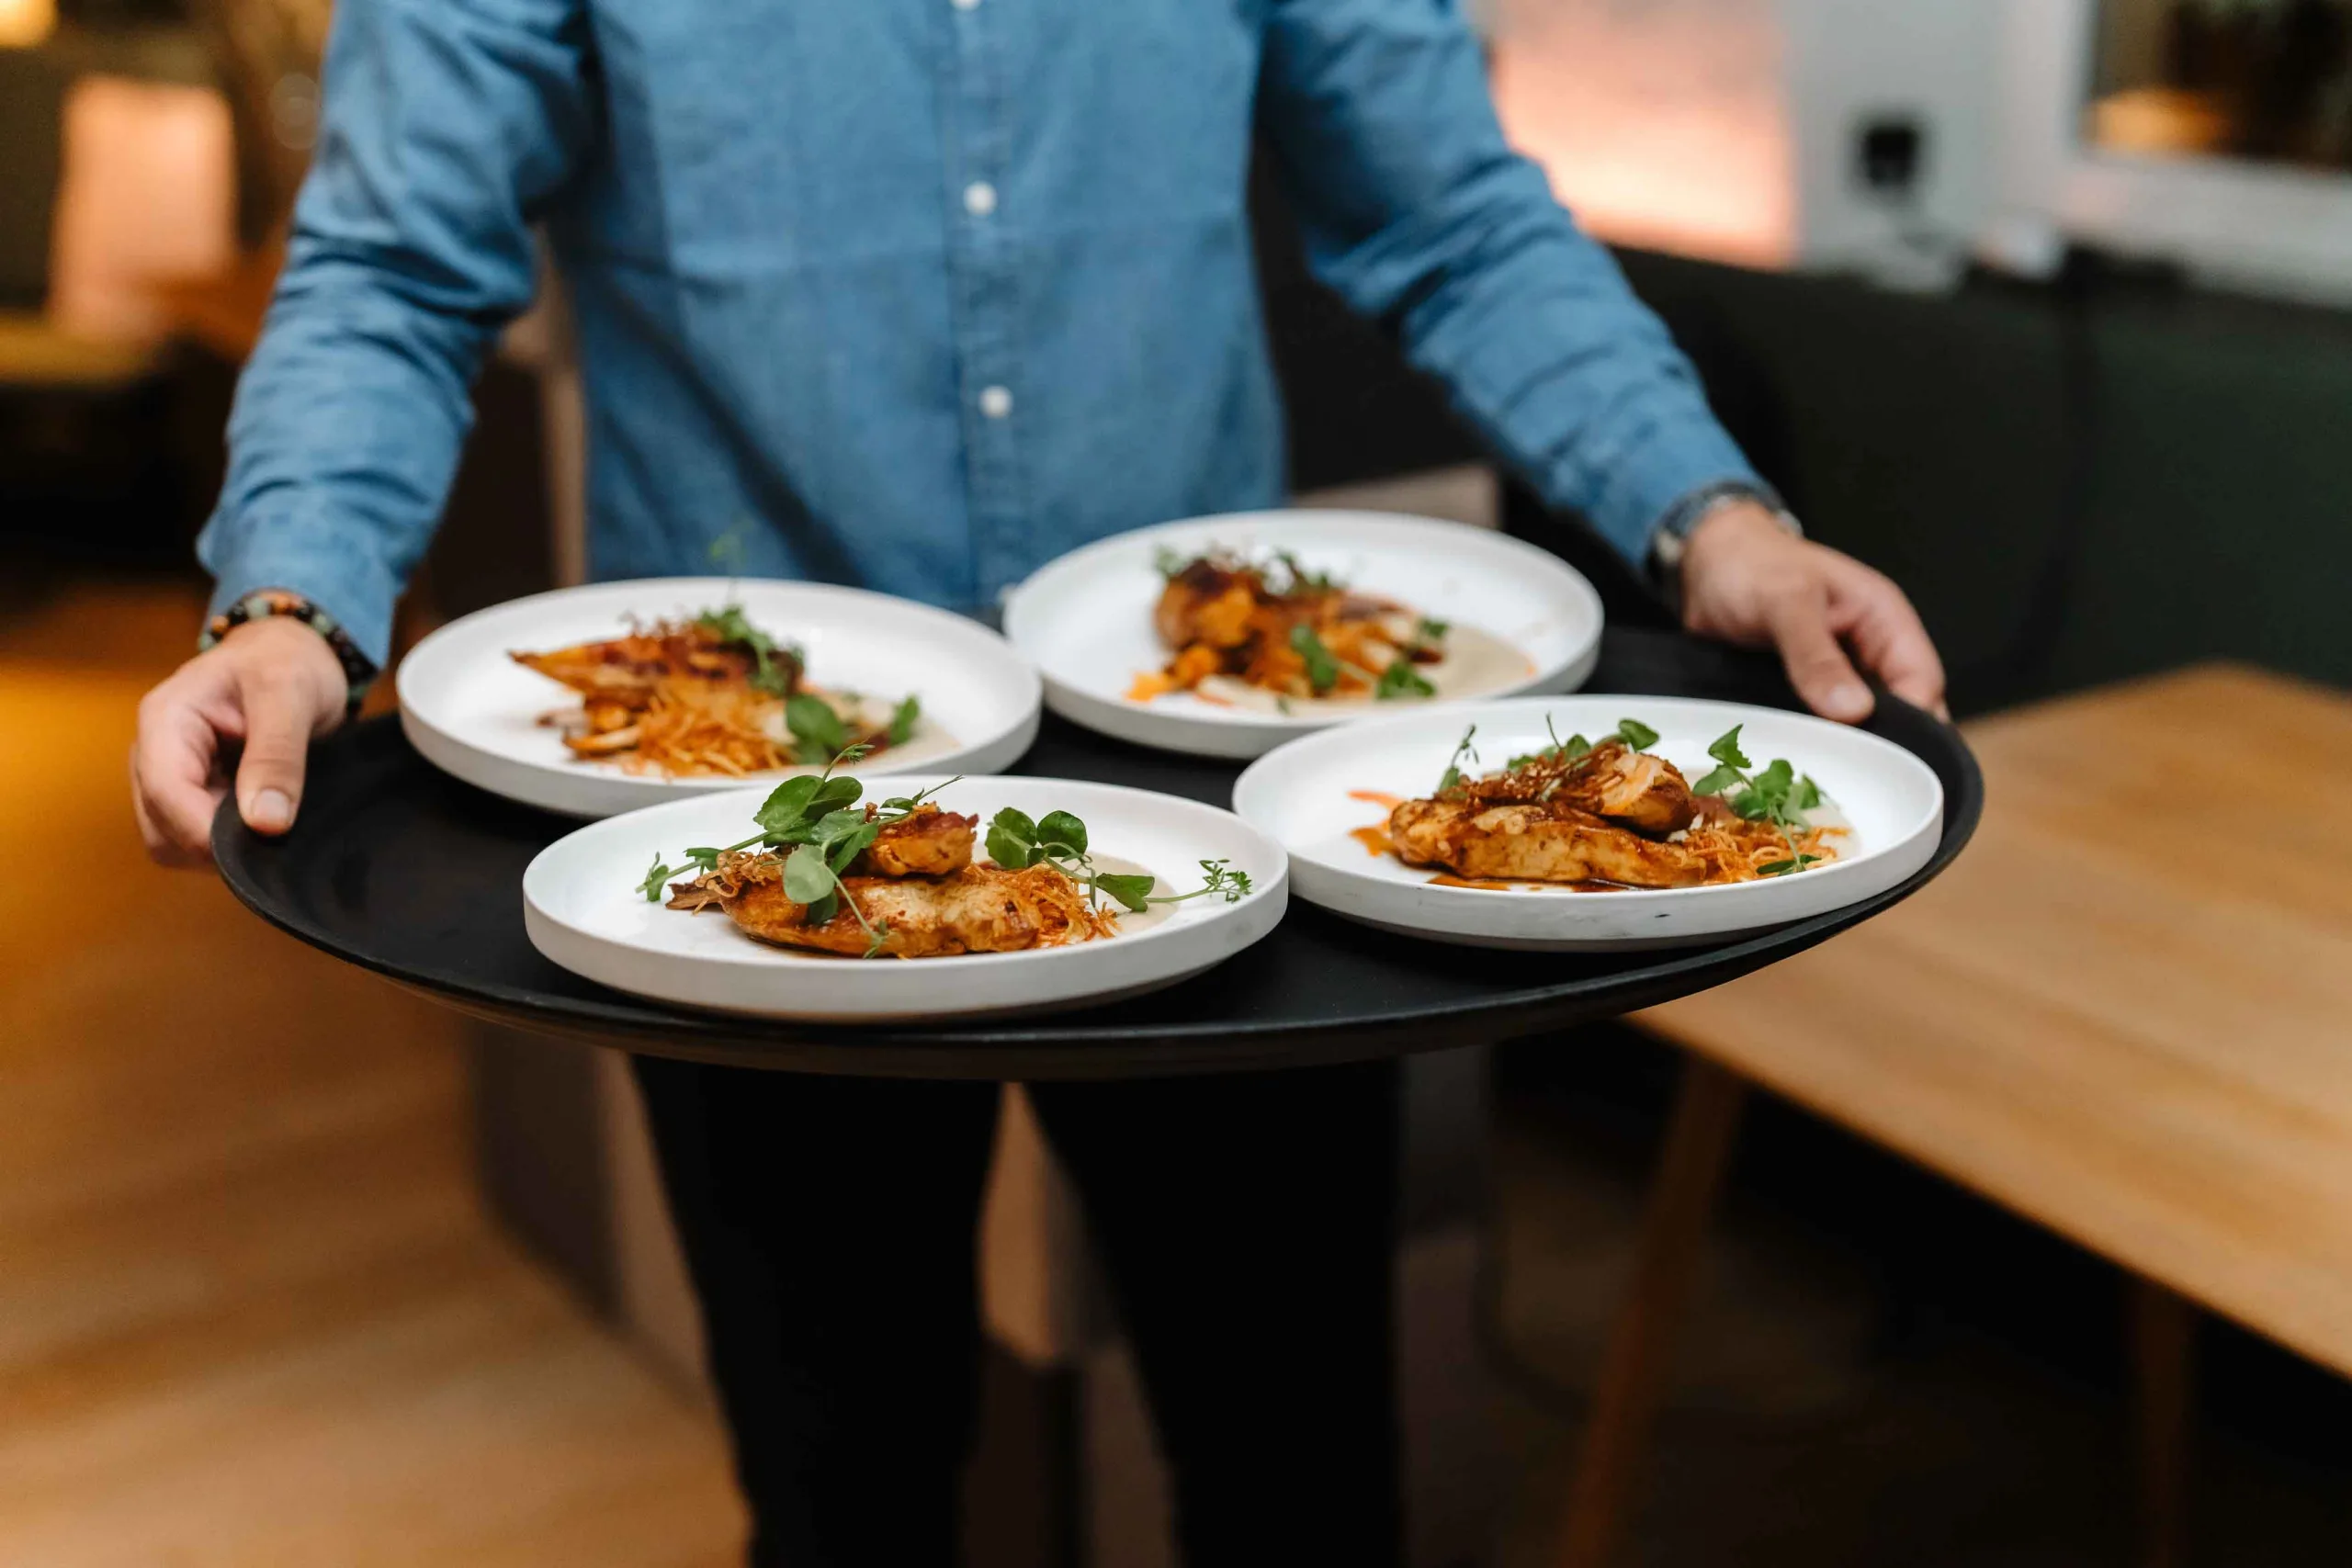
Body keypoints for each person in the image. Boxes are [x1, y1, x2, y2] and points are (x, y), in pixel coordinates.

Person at [131, 2, 1947, 1563]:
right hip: (753, 833)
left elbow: (1454, 220)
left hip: (1212, 801)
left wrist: (1713, 519)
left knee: (1300, 1477)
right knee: (845, 1491)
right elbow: (392, 262)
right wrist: (292, 606)